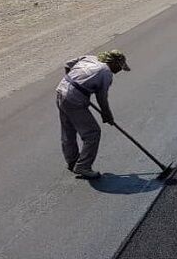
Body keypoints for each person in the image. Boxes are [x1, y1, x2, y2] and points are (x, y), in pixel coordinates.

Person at [56, 50, 130, 179]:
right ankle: (83, 166)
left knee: (68, 130)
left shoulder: (89, 58)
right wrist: (108, 116)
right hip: (74, 100)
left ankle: (72, 161)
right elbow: (102, 98)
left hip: (61, 92)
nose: (119, 70)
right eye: (119, 66)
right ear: (112, 62)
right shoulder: (106, 73)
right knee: (92, 133)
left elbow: (68, 65)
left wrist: (74, 83)